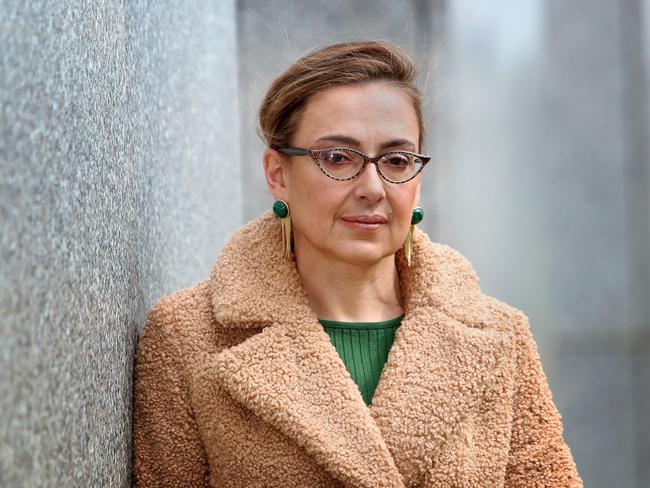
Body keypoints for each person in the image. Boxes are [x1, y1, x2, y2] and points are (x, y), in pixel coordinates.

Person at [132, 40, 583, 487]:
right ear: (277, 174)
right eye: (337, 157)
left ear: (417, 181)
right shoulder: (187, 337)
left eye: (397, 159)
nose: (372, 187)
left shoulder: (500, 336)